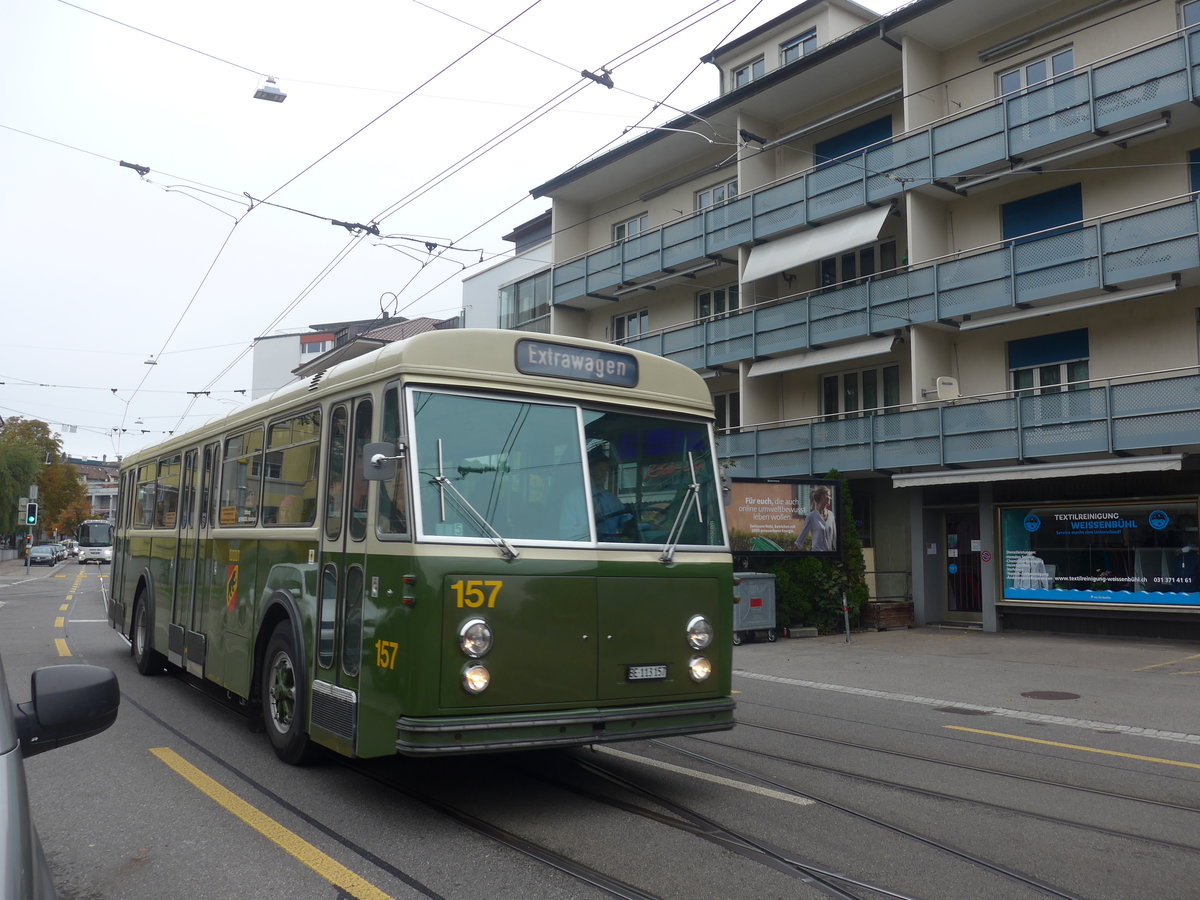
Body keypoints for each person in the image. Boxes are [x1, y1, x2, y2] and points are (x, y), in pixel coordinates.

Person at [589, 449, 632, 539]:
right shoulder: (573, 500)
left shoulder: (612, 500)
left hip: (611, 547)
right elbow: (568, 531)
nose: (602, 475)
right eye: (599, 470)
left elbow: (626, 522)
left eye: (605, 471)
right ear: (590, 471)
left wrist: (647, 524)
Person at [794, 484, 836, 551]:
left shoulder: (831, 515)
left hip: (829, 556)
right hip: (816, 555)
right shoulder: (811, 516)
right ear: (822, 497)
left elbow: (835, 538)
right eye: (828, 495)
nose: (830, 498)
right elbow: (800, 539)